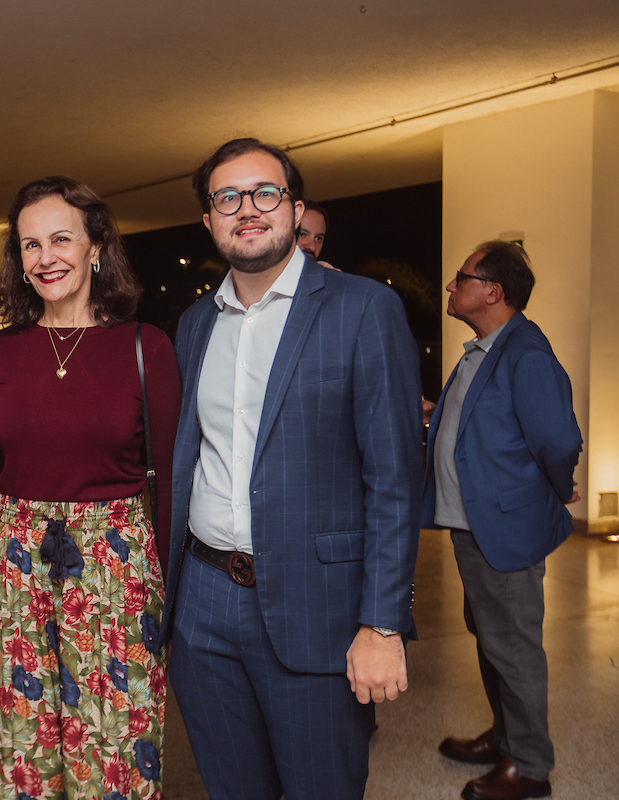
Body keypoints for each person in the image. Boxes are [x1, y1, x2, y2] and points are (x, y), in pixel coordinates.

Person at [160, 138, 422, 800]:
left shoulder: (362, 308)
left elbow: (394, 480)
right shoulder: (194, 325)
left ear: (294, 208)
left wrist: (382, 624)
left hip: (319, 608)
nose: (247, 209)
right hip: (204, 603)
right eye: (227, 197)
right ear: (209, 219)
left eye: (265, 193)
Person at [0, 176, 180, 800]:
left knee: (114, 740)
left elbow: (169, 476)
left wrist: (169, 590)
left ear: (95, 248)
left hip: (116, 563)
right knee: (18, 744)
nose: (45, 257)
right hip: (14, 566)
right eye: (30, 245)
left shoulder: (146, 346)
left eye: (61, 239)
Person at [422, 241, 580, 800]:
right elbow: (483, 422)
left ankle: (530, 766)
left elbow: (559, 439)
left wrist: (559, 488)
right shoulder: (486, 349)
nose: (450, 285)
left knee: (512, 647)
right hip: (476, 525)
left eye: (460, 277)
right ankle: (507, 736)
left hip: (503, 528)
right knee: (491, 639)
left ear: (492, 291)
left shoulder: (524, 354)